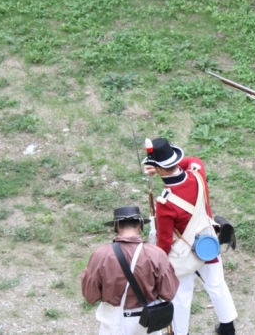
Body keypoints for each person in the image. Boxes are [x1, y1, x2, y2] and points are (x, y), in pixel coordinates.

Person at [143, 138, 238, 335]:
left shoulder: (164, 202)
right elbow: (192, 160)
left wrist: (160, 264)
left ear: (159, 169)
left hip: (183, 253)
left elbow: (165, 241)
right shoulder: (197, 174)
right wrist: (163, 165)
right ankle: (228, 327)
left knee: (182, 295)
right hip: (207, 241)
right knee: (217, 284)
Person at [81, 206, 179, 335]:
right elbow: (169, 293)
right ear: (140, 225)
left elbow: (90, 296)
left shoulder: (100, 255)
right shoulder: (156, 254)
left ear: (117, 226)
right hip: (147, 321)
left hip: (113, 322)